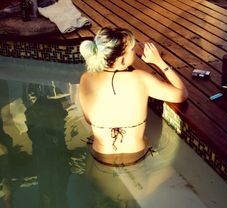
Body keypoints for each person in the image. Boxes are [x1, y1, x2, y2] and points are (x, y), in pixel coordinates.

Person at [79, 27, 188, 166]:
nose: (135, 51)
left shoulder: (86, 79)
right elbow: (181, 94)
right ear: (122, 60)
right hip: (135, 155)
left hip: (100, 155)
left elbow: (89, 120)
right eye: (132, 49)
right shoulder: (140, 79)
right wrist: (159, 62)